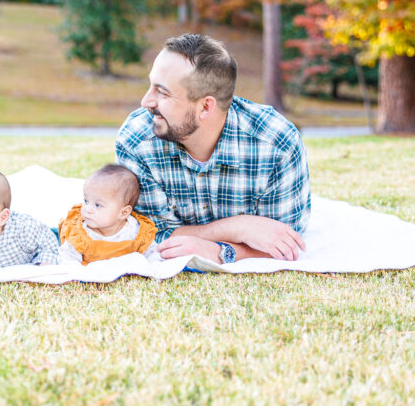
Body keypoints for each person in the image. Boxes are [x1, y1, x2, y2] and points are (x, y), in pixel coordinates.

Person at [115, 33, 310, 265]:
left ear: (206, 107)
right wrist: (240, 228)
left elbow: (284, 244)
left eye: (163, 92)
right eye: (151, 86)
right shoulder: (136, 141)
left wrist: (220, 252)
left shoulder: (277, 145)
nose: (145, 101)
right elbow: (146, 236)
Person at [58, 164, 159, 265]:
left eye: (98, 205)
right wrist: (74, 269)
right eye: (86, 200)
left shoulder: (135, 231)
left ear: (123, 213)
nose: (87, 209)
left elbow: (152, 251)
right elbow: (67, 256)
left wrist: (155, 263)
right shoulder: (81, 232)